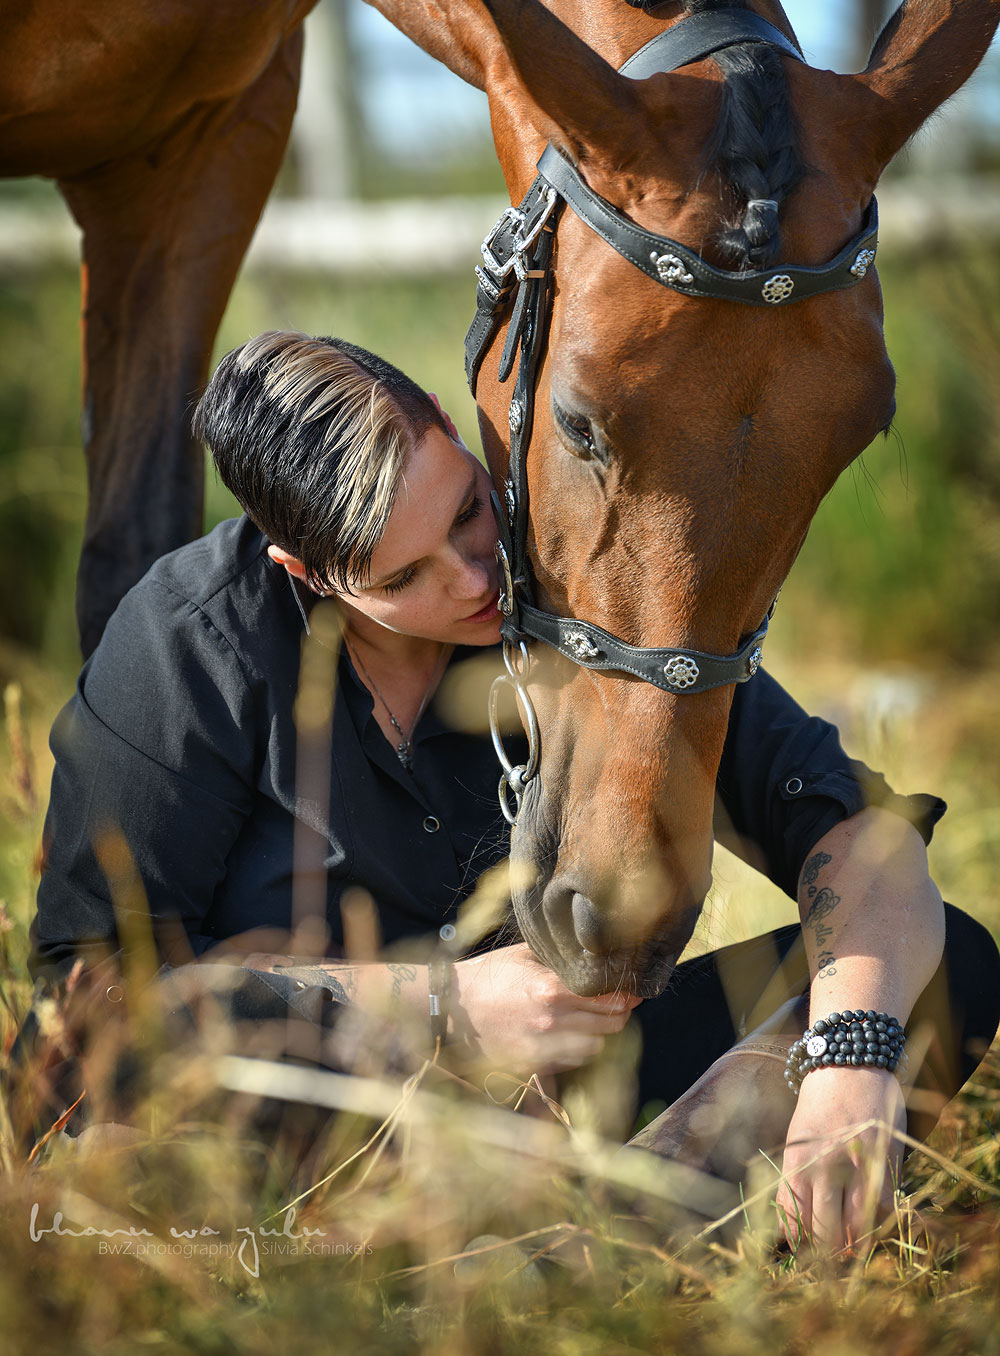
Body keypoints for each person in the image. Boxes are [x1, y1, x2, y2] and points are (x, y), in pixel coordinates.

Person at [28, 330, 1000, 1250]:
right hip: (318, 1143)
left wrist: (852, 1054)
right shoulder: (188, 645)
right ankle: (591, 1247)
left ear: (455, 430)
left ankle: (605, 1232)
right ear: (307, 572)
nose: (473, 577)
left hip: (586, 1104)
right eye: (406, 573)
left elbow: (852, 833)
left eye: (464, 511)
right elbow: (94, 1001)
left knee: (947, 963)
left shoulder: (580, 587)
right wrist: (440, 1011)